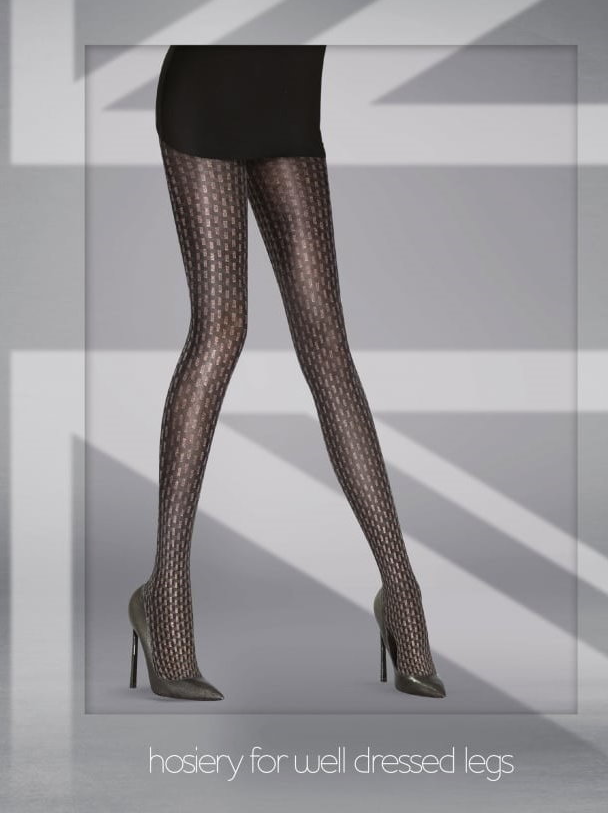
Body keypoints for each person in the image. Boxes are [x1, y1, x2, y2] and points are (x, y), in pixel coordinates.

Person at [128, 45, 446, 700]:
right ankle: (165, 597)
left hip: (289, 110)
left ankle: (401, 594)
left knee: (327, 345)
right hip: (205, 101)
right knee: (221, 330)